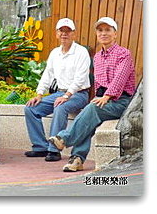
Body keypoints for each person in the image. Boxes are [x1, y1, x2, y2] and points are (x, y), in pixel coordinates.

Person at [49, 17, 136, 172]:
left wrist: (106, 97)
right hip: (105, 100)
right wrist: (99, 98)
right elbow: (99, 84)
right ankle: (77, 159)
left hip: (123, 101)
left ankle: (65, 138)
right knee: (90, 115)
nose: (103, 33)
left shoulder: (124, 54)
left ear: (115, 34)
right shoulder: (97, 57)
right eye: (100, 30)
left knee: (92, 110)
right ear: (97, 34)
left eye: (108, 30)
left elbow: (119, 79)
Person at [24, 18, 91, 162]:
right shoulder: (55, 53)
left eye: (68, 31)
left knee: (60, 107)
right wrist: (39, 94)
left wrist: (67, 96)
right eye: (61, 31)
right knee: (31, 108)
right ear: (56, 33)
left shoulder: (81, 52)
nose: (64, 34)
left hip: (79, 94)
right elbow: (47, 75)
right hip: (60, 93)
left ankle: (54, 150)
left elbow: (80, 79)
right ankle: (40, 147)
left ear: (74, 34)